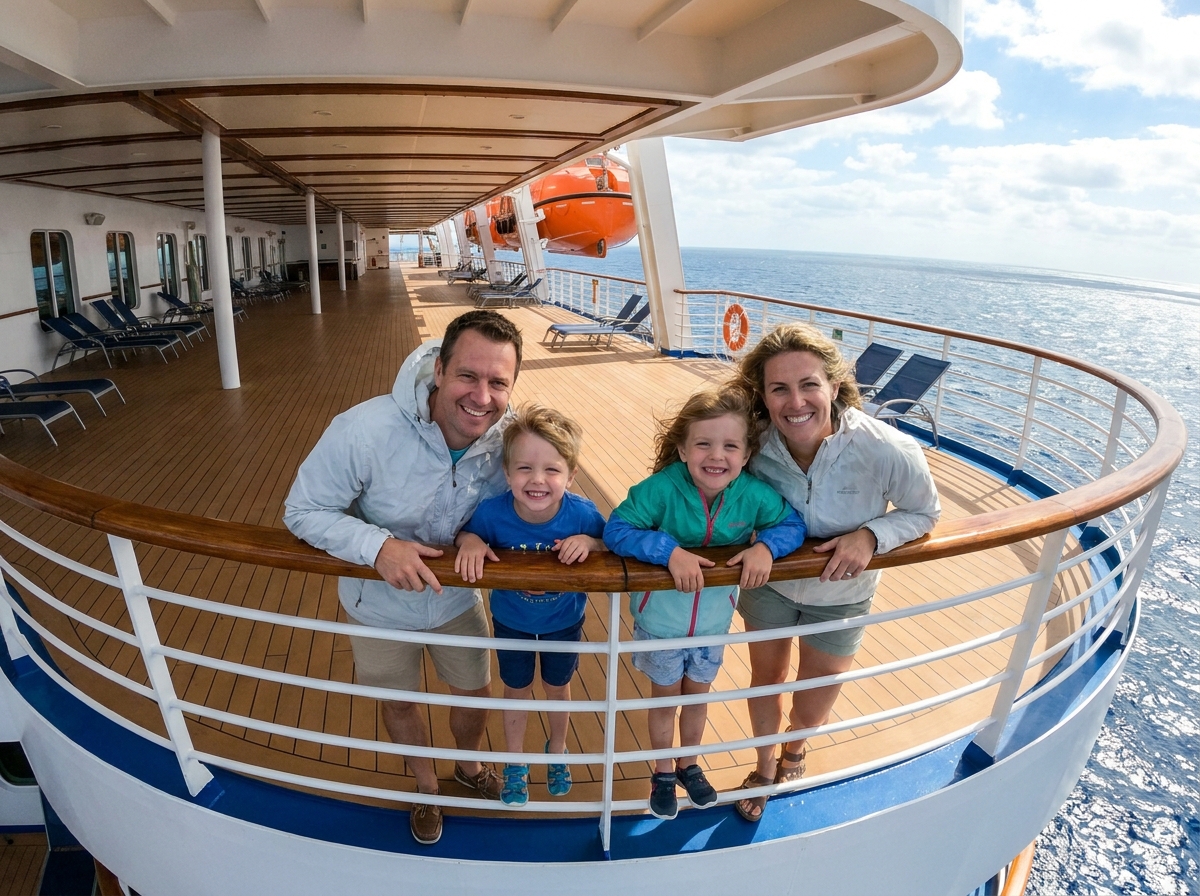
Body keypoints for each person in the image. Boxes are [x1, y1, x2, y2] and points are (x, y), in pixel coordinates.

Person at [282, 309, 522, 847]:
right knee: (399, 702)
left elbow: (544, 495)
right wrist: (378, 546)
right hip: (378, 604)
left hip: (459, 599)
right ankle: (425, 787)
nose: (481, 397)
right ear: (438, 369)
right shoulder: (364, 431)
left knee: (474, 694)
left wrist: (478, 535)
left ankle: (467, 765)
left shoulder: (509, 438)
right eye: (468, 375)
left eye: (497, 382)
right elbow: (302, 510)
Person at [729, 323, 941, 823]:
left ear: (834, 387)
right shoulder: (753, 444)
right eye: (779, 388)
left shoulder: (886, 448)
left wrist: (871, 536)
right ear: (762, 395)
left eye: (809, 385)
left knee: (819, 683)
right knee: (767, 678)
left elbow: (924, 512)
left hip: (843, 593)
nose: (795, 401)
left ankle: (794, 751)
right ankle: (763, 767)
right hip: (769, 585)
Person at [603, 388, 807, 820]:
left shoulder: (751, 495)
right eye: (704, 444)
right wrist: (667, 551)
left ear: (747, 453)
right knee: (664, 701)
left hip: (713, 623)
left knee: (697, 699)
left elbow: (791, 523)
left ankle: (688, 764)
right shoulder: (661, 490)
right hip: (661, 623)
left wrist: (767, 547)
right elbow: (618, 529)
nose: (717, 456)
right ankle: (662, 771)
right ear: (682, 449)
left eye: (730, 446)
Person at [454, 404, 607, 807]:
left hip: (563, 622)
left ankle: (557, 750)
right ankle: (515, 761)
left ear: (571, 476)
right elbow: (468, 535)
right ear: (506, 473)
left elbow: (611, 542)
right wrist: (470, 541)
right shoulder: (492, 514)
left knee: (558, 688)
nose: (537, 480)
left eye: (552, 470)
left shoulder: (583, 514)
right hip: (511, 621)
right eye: (524, 468)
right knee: (516, 690)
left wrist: (592, 543)